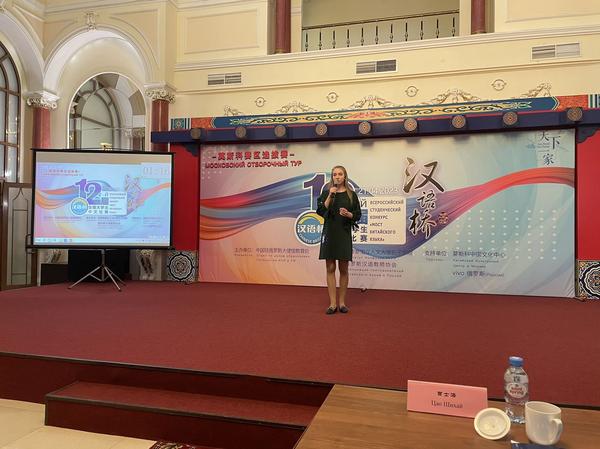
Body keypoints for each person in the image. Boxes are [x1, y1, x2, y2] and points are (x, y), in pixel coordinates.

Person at [316, 166, 361, 314]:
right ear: (332, 177)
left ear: (345, 176)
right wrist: (330, 195)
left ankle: (342, 303)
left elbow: (358, 214)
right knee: (330, 268)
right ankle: (332, 304)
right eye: (335, 174)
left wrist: (349, 214)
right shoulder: (326, 193)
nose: (337, 176)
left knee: (343, 269)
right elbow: (321, 211)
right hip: (329, 233)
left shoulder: (351, 195)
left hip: (343, 233)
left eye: (340, 174)